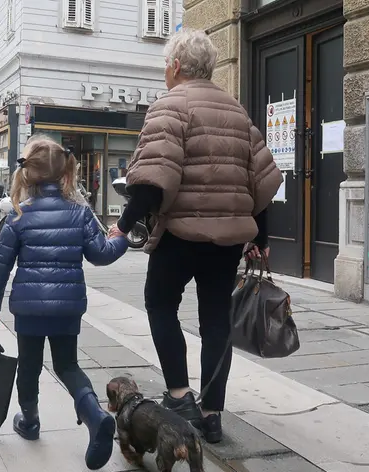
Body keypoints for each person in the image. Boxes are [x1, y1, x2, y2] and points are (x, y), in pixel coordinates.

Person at [113, 29, 283, 444]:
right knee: (215, 322)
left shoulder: (169, 106)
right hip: (227, 241)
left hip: (179, 236)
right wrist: (261, 235)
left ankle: (179, 394)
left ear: (174, 67)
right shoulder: (237, 111)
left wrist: (122, 226)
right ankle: (211, 413)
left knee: (159, 304)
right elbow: (262, 181)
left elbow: (152, 180)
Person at [0, 135, 129, 470]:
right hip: (67, 306)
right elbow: (101, 254)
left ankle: (29, 420)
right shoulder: (81, 213)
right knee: (68, 366)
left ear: (28, 174)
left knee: (29, 366)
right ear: (65, 174)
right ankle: (95, 414)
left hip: (30, 309)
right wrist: (122, 238)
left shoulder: (18, 214)